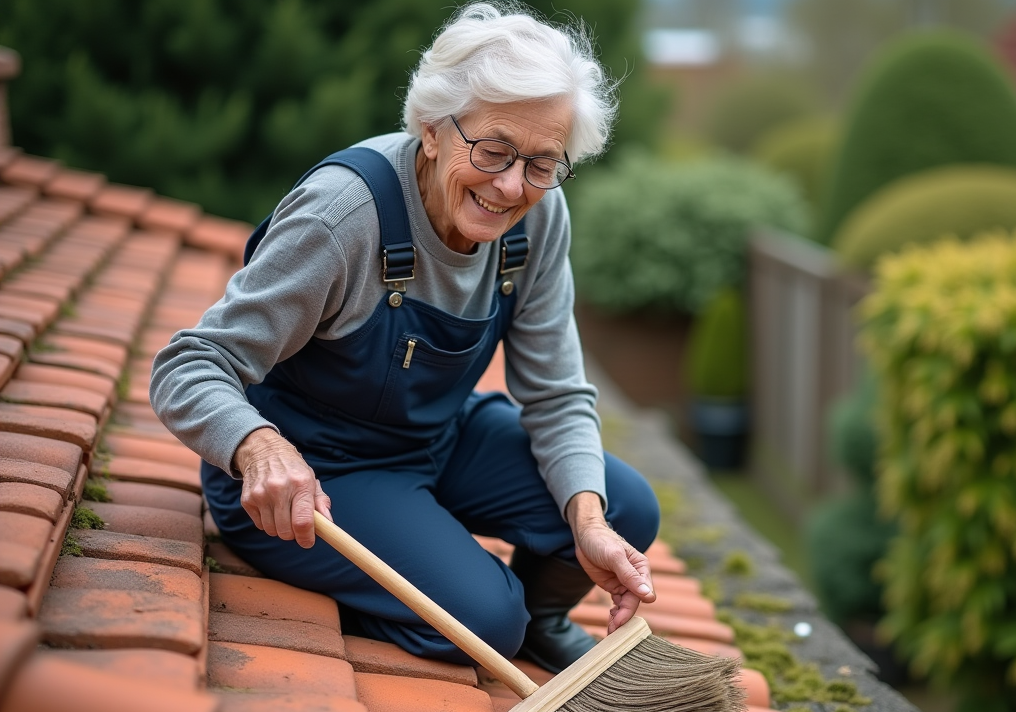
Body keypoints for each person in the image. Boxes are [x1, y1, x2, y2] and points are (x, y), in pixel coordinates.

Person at [149, 2, 659, 673]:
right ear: (431, 127)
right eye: (494, 150)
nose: (512, 186)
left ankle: (541, 618)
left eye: (541, 162)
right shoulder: (343, 216)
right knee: (483, 623)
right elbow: (188, 363)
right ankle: (463, 609)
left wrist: (587, 524)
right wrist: (259, 448)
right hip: (314, 483)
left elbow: (558, 394)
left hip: (436, 442)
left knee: (625, 507)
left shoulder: (539, 218)